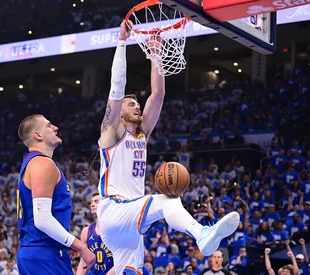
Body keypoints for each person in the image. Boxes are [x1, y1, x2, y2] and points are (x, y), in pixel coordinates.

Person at [96, 21, 240, 275]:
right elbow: (116, 88)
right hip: (115, 210)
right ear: (119, 113)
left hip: (129, 226)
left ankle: (202, 233)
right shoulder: (110, 133)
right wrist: (121, 42)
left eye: (138, 103)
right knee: (166, 200)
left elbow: (158, 93)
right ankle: (201, 232)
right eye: (131, 105)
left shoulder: (141, 134)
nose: (137, 106)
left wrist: (156, 54)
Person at [16, 115, 95, 275]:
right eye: (49, 125)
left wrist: (65, 241)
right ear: (37, 135)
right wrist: (80, 245)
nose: (55, 128)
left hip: (38, 251)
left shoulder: (31, 163)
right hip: (44, 253)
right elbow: (42, 219)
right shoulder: (42, 164)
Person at [77, 193, 115, 275]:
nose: (92, 204)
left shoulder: (116, 230)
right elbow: (84, 261)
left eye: (96, 201)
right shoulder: (86, 231)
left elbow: (122, 261)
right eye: (91, 202)